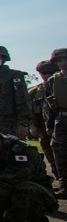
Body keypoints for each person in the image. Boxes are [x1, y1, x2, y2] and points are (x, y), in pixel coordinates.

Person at [29, 60, 59, 185]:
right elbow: (28, 111)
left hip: (60, 126)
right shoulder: (35, 91)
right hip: (43, 128)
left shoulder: (60, 87)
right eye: (44, 73)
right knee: (50, 154)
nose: (47, 75)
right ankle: (59, 178)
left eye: (50, 72)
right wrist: (32, 126)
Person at [45, 48, 67, 199]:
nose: (63, 63)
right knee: (59, 152)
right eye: (59, 60)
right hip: (61, 120)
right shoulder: (53, 80)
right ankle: (65, 185)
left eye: (65, 59)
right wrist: (49, 123)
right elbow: (48, 104)